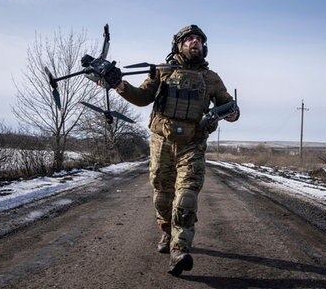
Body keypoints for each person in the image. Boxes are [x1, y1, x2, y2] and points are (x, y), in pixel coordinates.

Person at [91, 24, 239, 276]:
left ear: (204, 47)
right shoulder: (162, 71)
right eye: (189, 39)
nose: (195, 42)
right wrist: (119, 84)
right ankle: (166, 232)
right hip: (161, 143)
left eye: (199, 40)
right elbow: (142, 97)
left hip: (193, 144)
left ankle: (178, 250)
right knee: (162, 196)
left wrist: (230, 113)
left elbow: (230, 109)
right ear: (179, 45)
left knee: (187, 197)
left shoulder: (212, 78)